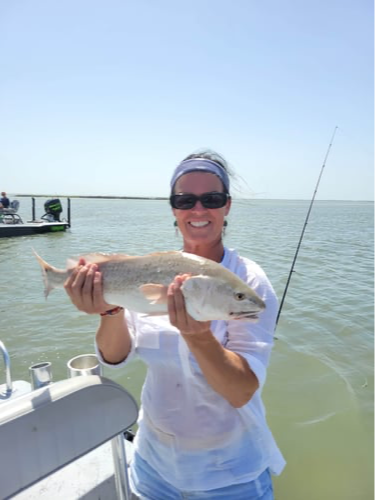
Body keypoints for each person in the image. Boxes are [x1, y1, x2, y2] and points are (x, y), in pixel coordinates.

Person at [64, 150, 285, 499]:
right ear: (173, 208)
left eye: (211, 199)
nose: (198, 210)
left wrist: (199, 336)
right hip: (153, 468)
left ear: (227, 206)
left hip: (230, 475)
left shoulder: (249, 282)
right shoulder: (153, 269)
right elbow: (115, 356)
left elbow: (241, 391)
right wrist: (109, 311)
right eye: (185, 200)